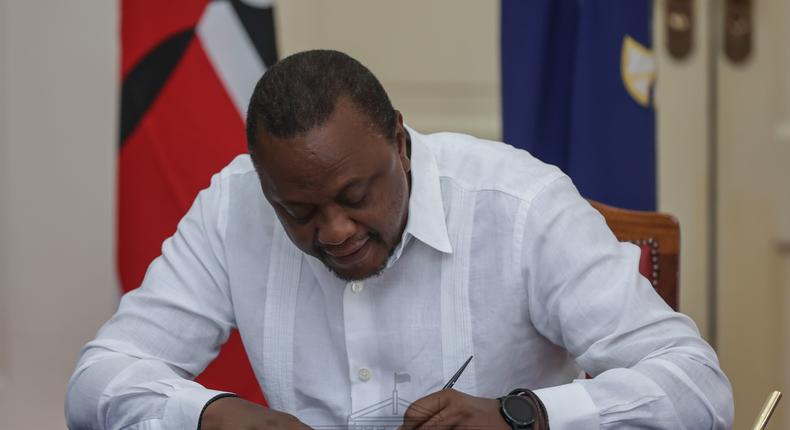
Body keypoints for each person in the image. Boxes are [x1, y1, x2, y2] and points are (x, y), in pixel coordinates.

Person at [66, 50, 733, 430]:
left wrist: (525, 416)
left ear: (401, 144)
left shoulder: (520, 205)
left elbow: (699, 389)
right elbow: (97, 381)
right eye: (297, 211)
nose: (334, 231)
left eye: (356, 197)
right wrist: (209, 415)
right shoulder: (233, 207)